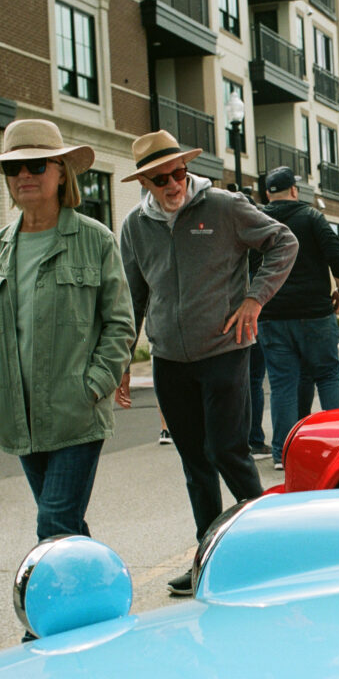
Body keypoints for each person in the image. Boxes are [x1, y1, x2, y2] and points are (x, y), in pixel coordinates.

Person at [117, 130, 297, 596]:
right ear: (146, 183)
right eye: (161, 179)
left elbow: (283, 242)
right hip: (168, 360)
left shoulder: (224, 207)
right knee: (194, 461)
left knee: (226, 451)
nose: (173, 184)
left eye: (178, 173)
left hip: (224, 352)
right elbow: (133, 297)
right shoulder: (136, 226)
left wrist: (255, 299)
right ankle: (208, 557)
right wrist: (122, 358)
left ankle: (268, 547)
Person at [0, 119, 135, 546]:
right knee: (67, 526)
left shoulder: (95, 239)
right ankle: (97, 596)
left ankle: (61, 612)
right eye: (14, 168)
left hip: (75, 412)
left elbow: (120, 323)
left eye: (37, 164)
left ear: (62, 171)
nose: (24, 175)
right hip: (17, 415)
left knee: (54, 524)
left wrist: (95, 384)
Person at [259, 166, 339, 469]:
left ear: (267, 194)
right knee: (327, 375)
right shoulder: (311, 217)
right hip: (315, 313)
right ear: (294, 191)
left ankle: (282, 453)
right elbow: (337, 256)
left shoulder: (258, 219)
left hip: (271, 314)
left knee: (282, 383)